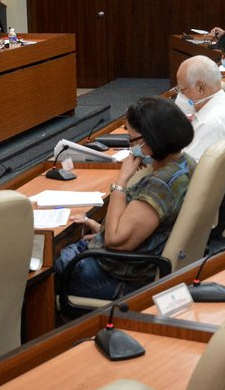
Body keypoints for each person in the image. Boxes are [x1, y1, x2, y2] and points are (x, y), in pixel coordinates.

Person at [54, 96, 196, 303]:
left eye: (132, 139)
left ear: (150, 139)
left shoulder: (160, 185)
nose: (131, 147)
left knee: (55, 263)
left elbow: (115, 240)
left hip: (125, 278)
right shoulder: (185, 163)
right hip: (146, 261)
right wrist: (99, 228)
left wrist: (121, 181)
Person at [176, 56, 225, 161]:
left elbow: (186, 169)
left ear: (200, 87)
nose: (181, 94)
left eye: (182, 89)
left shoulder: (207, 123)